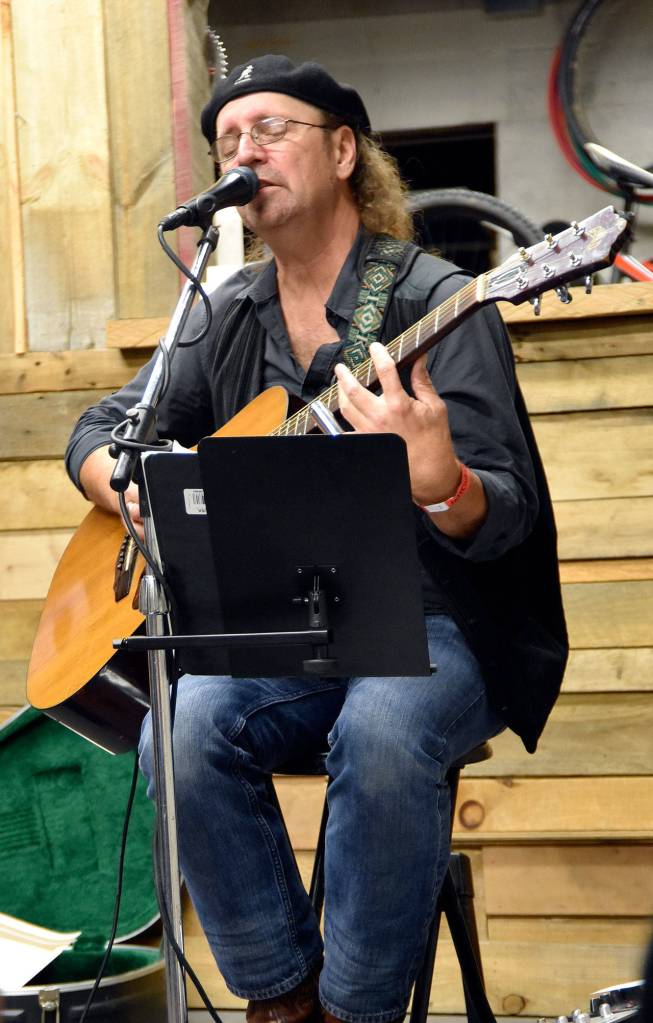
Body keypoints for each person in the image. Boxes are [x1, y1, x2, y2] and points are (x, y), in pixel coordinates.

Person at [66, 55, 567, 1023]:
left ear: (343, 150)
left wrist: (440, 482)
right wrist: (123, 488)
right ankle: (279, 997)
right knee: (186, 720)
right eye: (226, 141)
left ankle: (356, 1010)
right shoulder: (222, 314)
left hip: (437, 624)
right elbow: (100, 431)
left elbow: (501, 511)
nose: (244, 151)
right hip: (284, 629)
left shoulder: (430, 297)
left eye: (270, 129)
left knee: (379, 729)